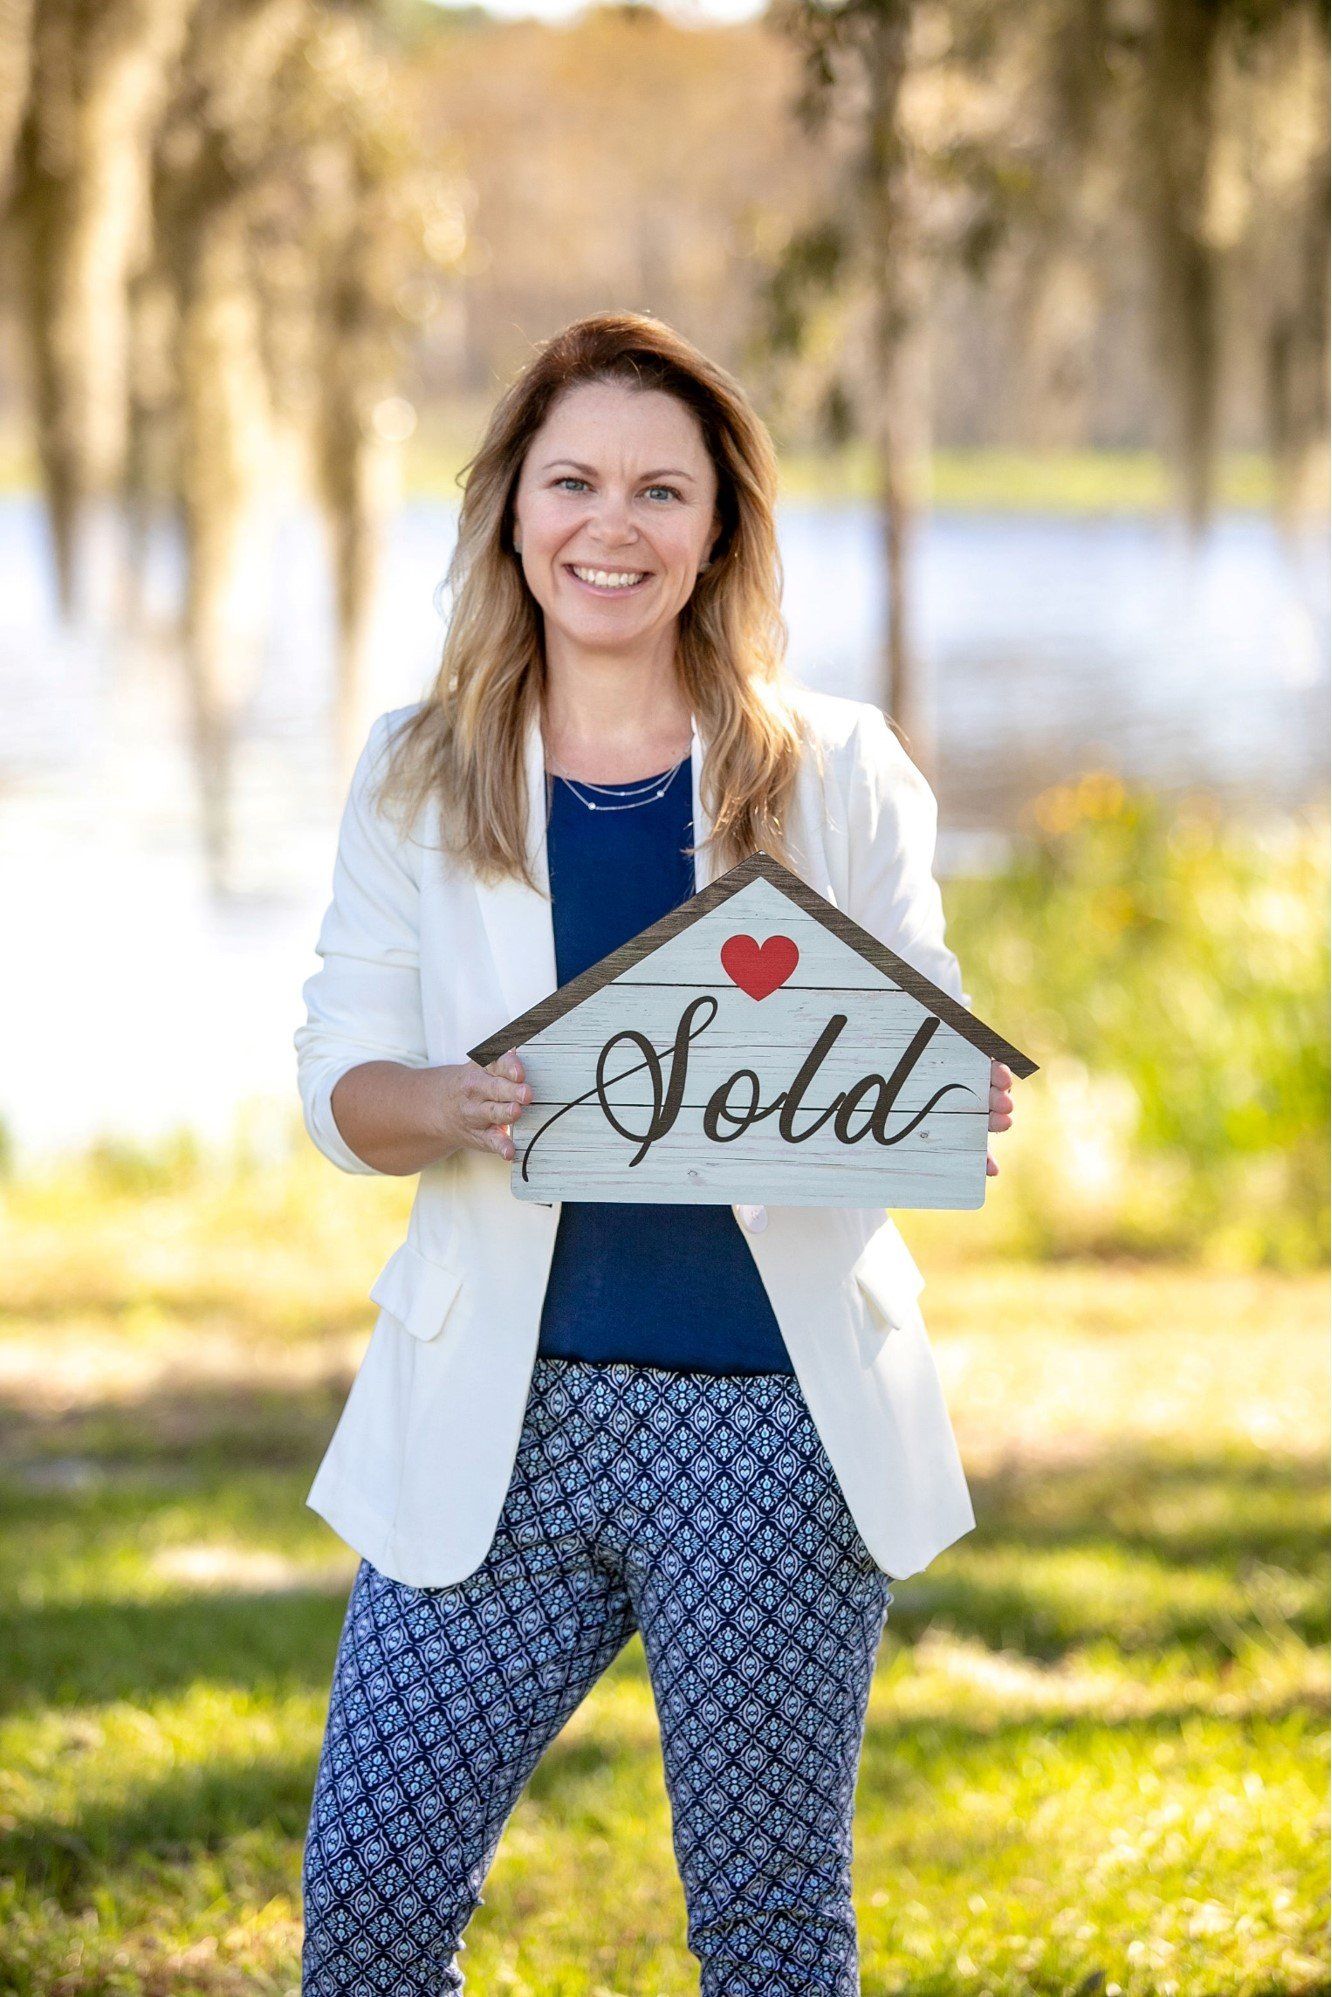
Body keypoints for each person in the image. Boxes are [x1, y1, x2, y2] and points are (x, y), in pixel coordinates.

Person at [294, 310, 1015, 1995]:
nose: (609, 527)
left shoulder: (838, 771)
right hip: (493, 1421)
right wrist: (455, 1098)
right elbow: (338, 1089)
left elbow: (921, 1054)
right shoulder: (417, 771)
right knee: (369, 1910)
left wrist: (952, 1097)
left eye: (658, 491)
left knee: (770, 1939)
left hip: (779, 1429)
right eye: (572, 482)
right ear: (512, 511)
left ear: (719, 529)